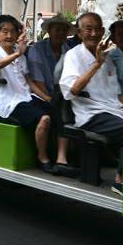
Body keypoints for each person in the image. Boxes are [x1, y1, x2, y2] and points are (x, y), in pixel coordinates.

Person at [59, 12, 123, 196]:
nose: (94, 33)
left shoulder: (107, 57)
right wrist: (96, 64)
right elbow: (72, 90)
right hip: (90, 114)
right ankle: (120, 180)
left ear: (103, 31)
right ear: (80, 33)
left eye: (98, 29)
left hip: (112, 110)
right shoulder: (73, 56)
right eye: (88, 29)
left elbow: (116, 94)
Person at [0, 15, 57, 172]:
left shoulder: (21, 57)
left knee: (56, 111)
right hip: (9, 101)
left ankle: (59, 157)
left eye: (12, 32)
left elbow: (29, 82)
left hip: (26, 97)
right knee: (44, 119)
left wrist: (47, 98)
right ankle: (42, 157)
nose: (9, 36)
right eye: (5, 32)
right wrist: (18, 53)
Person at [26, 14, 77, 175]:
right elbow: (38, 85)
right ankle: (54, 158)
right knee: (60, 111)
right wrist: (53, 100)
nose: (60, 33)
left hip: (61, 95)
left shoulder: (67, 50)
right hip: (39, 95)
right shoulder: (37, 50)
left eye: (64, 30)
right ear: (49, 31)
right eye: (57, 30)